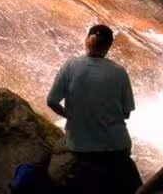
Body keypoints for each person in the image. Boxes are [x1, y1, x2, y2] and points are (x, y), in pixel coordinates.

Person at [46, 24, 142, 194]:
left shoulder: (70, 66)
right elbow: (126, 113)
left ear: (86, 41)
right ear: (108, 46)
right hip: (117, 148)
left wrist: (71, 116)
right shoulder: (120, 72)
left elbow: (52, 102)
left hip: (81, 148)